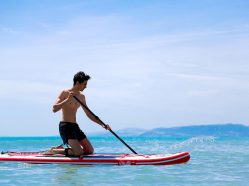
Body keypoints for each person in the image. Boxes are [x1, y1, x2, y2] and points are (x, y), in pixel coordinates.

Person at [48, 71, 110, 156]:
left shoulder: (81, 96)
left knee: (89, 151)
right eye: (84, 84)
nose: (86, 86)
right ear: (77, 82)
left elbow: (89, 114)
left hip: (75, 126)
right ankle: (54, 151)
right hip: (65, 127)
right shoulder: (64, 93)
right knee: (78, 152)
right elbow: (54, 109)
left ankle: (65, 148)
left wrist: (102, 124)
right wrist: (67, 99)